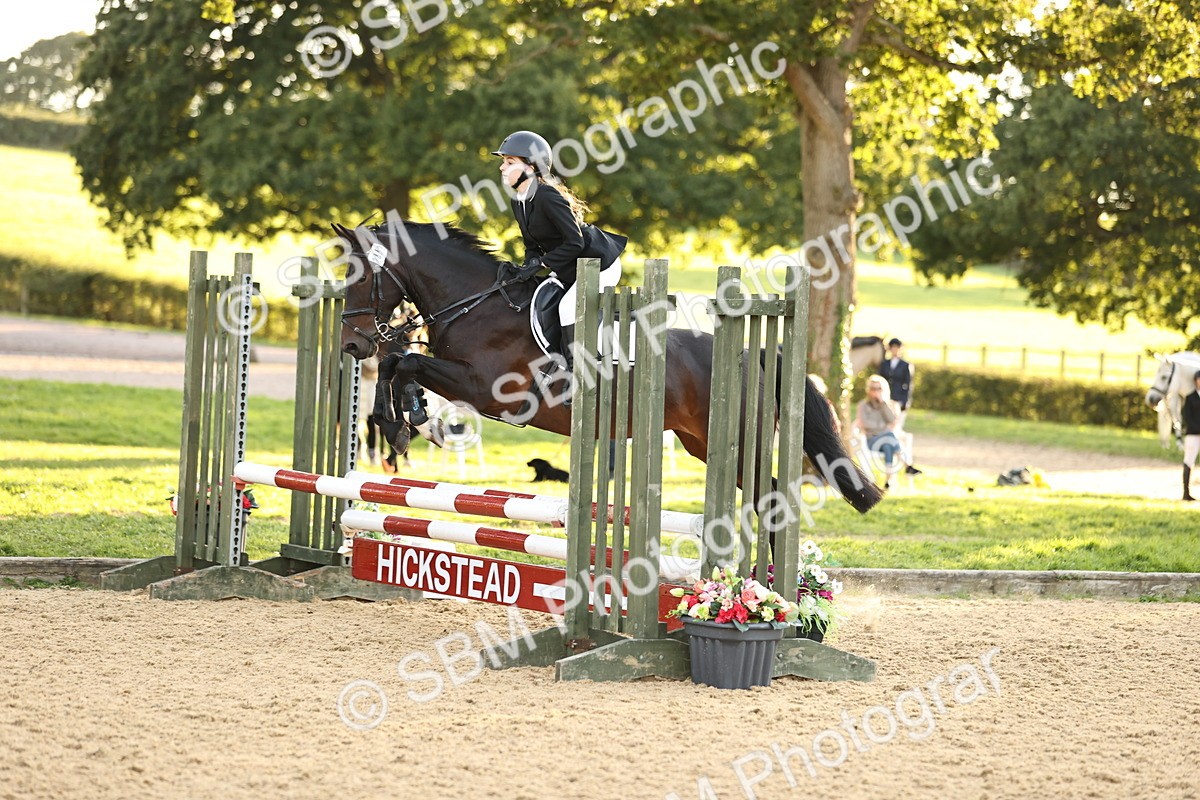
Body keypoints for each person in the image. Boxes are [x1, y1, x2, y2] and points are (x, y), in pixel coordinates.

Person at [492, 131, 627, 374]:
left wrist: (542, 264)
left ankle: (577, 372)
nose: (502, 168)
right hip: (569, 266)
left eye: (509, 162)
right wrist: (528, 266)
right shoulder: (518, 199)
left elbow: (574, 242)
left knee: (567, 308)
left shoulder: (547, 195)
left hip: (598, 264)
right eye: (503, 161)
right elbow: (532, 244)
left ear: (531, 167)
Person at [877, 337, 922, 475]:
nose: (895, 350)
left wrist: (904, 402)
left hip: (898, 401)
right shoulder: (884, 364)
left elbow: (908, 386)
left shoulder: (905, 365)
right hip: (885, 401)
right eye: (893, 347)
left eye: (897, 347)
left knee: (895, 430)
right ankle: (905, 464)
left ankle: (899, 464)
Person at [855, 375, 903, 490]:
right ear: (868, 389)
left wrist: (882, 403)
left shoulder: (890, 405)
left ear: (884, 389)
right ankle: (907, 464)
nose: (875, 391)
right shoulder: (863, 405)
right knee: (889, 436)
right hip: (872, 440)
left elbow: (892, 420)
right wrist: (883, 427)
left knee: (888, 445)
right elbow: (866, 424)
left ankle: (888, 480)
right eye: (873, 388)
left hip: (885, 441)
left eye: (878, 388)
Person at [1182, 370, 1200, 502]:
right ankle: (1186, 493)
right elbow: (1187, 417)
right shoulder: (1190, 397)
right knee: (1189, 461)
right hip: (1193, 434)